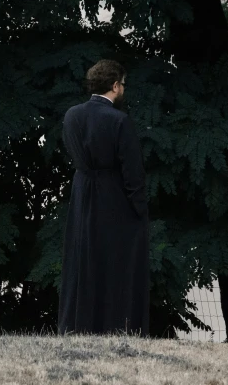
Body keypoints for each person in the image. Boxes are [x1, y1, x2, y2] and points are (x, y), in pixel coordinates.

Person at [57, 59, 150, 337]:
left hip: (82, 193)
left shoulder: (72, 115)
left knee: (83, 259)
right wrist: (140, 211)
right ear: (114, 85)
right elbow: (133, 173)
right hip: (114, 198)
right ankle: (116, 326)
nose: (123, 89)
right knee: (115, 262)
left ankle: (77, 327)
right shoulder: (119, 120)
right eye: (122, 84)